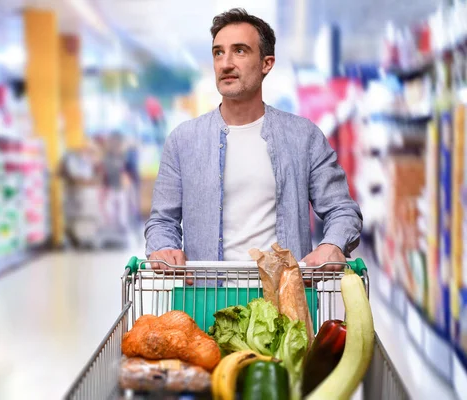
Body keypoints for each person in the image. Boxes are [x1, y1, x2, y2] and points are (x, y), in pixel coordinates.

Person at [144, 8, 362, 270]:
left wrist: (333, 245)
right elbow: (162, 221)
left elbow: (341, 208)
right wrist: (164, 247)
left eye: (239, 51)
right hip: (204, 299)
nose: (225, 64)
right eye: (218, 53)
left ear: (266, 63)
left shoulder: (304, 138)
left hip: (284, 303)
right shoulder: (183, 141)